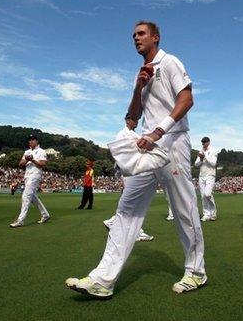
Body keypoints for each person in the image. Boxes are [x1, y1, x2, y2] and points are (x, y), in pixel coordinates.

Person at [66, 20, 206, 298]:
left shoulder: (170, 63)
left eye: (141, 34)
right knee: (126, 209)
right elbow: (131, 119)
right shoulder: (141, 73)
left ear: (156, 37)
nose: (135, 38)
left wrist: (158, 130)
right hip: (146, 145)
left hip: (172, 141)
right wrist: (138, 88)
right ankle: (103, 280)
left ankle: (196, 272)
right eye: (133, 35)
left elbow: (187, 99)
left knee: (183, 209)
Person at [103, 114, 154, 242]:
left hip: (136, 169)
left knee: (132, 202)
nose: (136, 121)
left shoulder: (135, 134)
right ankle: (136, 232)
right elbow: (119, 154)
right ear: (127, 120)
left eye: (137, 119)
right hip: (129, 170)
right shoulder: (122, 134)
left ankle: (114, 222)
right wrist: (122, 173)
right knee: (134, 201)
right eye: (133, 119)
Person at [10, 134, 50, 228]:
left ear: (37, 141)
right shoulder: (27, 152)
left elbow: (42, 164)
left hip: (35, 175)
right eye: (29, 140)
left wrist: (33, 160)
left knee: (26, 196)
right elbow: (20, 164)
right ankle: (45, 215)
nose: (31, 141)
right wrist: (27, 160)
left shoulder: (42, 151)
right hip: (27, 175)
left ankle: (20, 220)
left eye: (33, 139)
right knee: (33, 198)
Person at [195, 136, 218, 221]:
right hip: (201, 176)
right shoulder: (201, 151)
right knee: (203, 196)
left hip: (210, 175)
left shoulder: (213, 151)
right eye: (202, 142)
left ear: (208, 142)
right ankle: (206, 214)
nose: (203, 143)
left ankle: (213, 212)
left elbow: (213, 163)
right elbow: (196, 164)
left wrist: (204, 156)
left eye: (204, 142)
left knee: (207, 194)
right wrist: (200, 159)